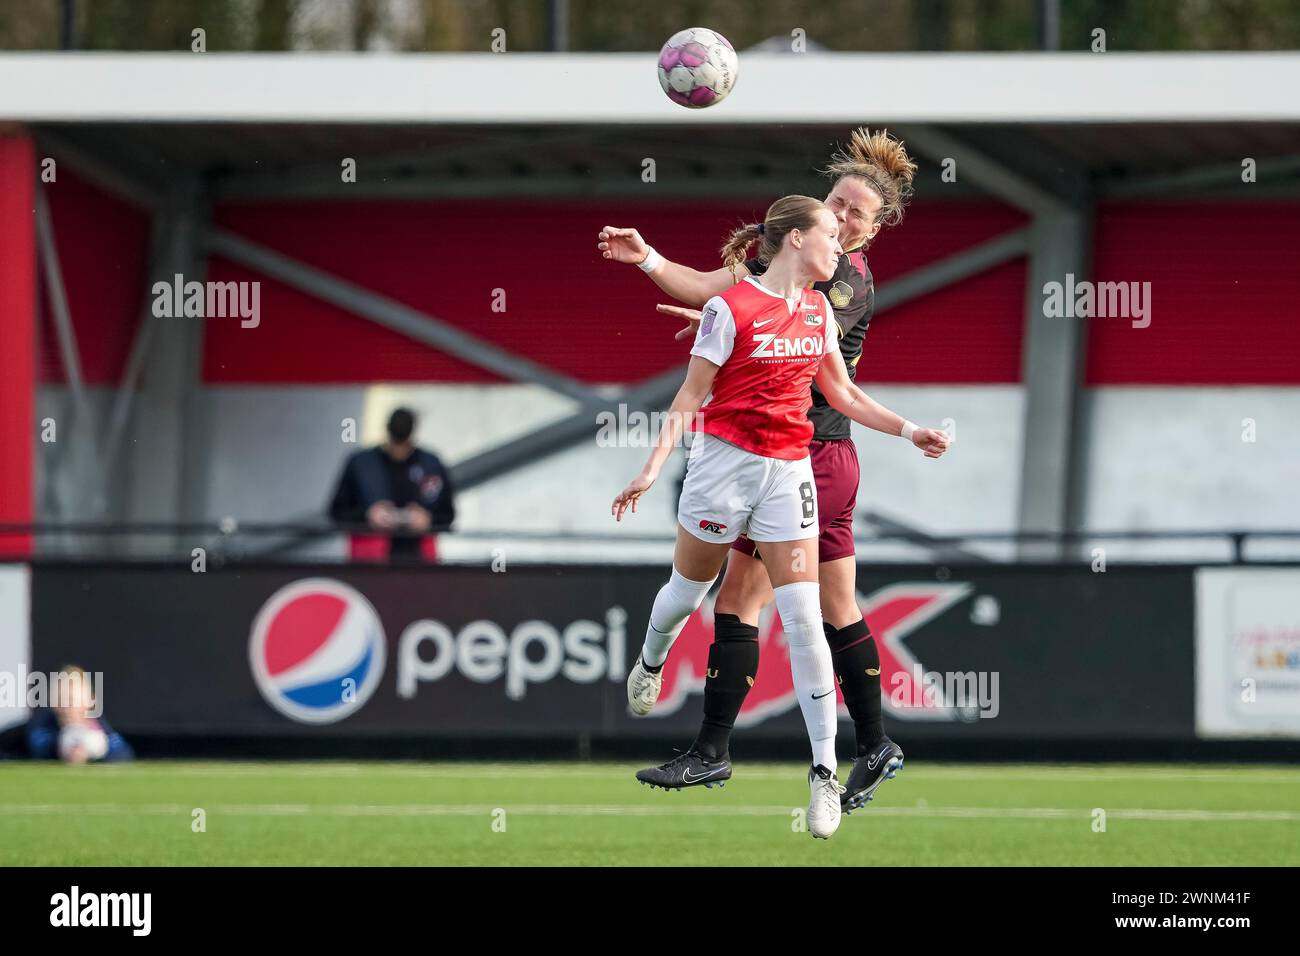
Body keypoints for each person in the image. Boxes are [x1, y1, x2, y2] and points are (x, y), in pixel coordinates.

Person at [598, 128, 920, 812]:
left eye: (854, 213)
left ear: (874, 227)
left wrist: (735, 329)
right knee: (831, 607)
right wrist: (652, 260)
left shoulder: (845, 278)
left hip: (801, 455)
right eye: (836, 202)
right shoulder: (794, 272)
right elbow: (729, 295)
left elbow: (799, 344)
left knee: (748, 604)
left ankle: (718, 753)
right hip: (809, 457)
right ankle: (872, 743)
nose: (841, 218)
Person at [328, 407, 455, 561]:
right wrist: (368, 515)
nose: (399, 451)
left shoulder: (430, 464)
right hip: (369, 559)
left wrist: (428, 519)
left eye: (403, 444)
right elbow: (337, 511)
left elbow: (448, 514)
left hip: (419, 560)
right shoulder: (361, 464)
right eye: (396, 443)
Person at [24, 666, 133, 764]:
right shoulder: (44, 723)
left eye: (72, 700)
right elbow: (38, 744)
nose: (67, 708)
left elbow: (123, 751)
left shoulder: (98, 724)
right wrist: (61, 746)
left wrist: (96, 748)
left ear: (90, 701)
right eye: (61, 700)